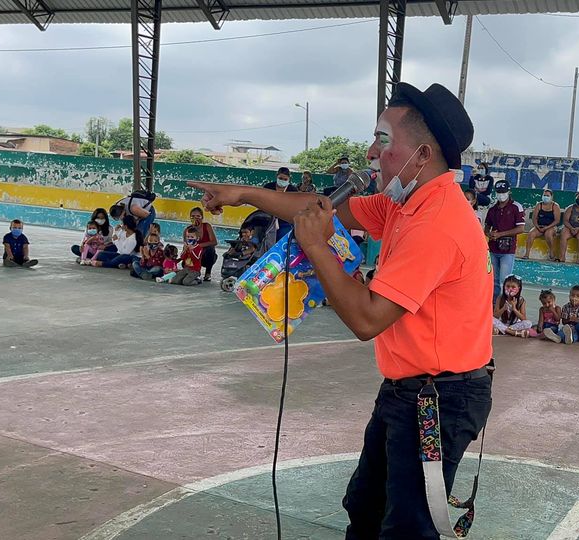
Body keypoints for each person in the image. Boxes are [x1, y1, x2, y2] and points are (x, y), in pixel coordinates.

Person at [190, 82, 492, 538]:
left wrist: (317, 248)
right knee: (366, 506)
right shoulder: (405, 202)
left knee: (408, 527)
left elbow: (367, 318)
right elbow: (322, 210)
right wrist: (244, 194)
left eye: (384, 140)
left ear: (422, 154)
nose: (371, 153)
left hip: (439, 399)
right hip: (406, 389)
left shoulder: (437, 223)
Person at [484, 179, 525, 300]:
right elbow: (487, 227)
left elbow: (521, 228)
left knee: (505, 279)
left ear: (508, 192)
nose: (501, 195)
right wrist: (490, 233)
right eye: (499, 192)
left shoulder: (516, 207)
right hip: (493, 248)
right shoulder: (492, 209)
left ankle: (506, 303)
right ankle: (494, 303)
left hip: (508, 250)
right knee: (493, 279)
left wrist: (501, 234)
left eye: (503, 192)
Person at [524, 189, 561, 260]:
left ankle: (551, 252)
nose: (545, 197)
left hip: (551, 227)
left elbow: (557, 220)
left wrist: (547, 228)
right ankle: (527, 254)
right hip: (540, 226)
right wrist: (537, 227)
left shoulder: (555, 206)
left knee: (548, 234)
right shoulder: (539, 205)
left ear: (551, 197)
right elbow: (534, 218)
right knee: (531, 234)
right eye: (544, 195)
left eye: (547, 196)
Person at [558, 191, 579, 264]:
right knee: (564, 233)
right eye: (578, 197)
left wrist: (578, 228)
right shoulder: (570, 208)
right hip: (570, 227)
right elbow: (565, 221)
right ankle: (562, 257)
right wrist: (571, 228)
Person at [190, 207, 218, 282]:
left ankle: (208, 273)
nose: (195, 219)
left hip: (206, 256)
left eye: (198, 216)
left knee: (211, 248)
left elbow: (214, 242)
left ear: (202, 217)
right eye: (193, 216)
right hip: (195, 257)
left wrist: (198, 246)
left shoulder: (207, 226)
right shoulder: (188, 230)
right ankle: (196, 272)